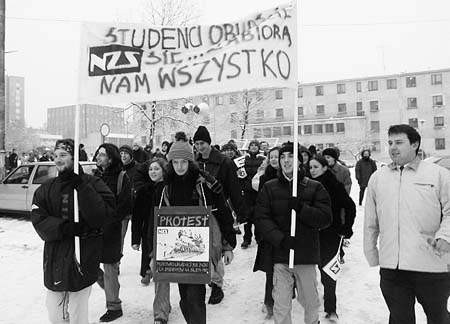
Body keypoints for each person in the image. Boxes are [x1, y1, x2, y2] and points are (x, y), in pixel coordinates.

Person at [364, 124, 450, 324]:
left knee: (438, 317)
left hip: (430, 264)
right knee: (400, 319)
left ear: (415, 144)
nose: (393, 147)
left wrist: (445, 237)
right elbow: (370, 221)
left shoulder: (438, 175)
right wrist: (372, 252)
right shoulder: (378, 178)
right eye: (390, 143)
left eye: (399, 142)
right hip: (392, 267)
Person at [31, 139, 115, 324]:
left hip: (82, 257)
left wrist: (81, 187)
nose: (58, 160)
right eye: (56, 156)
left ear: (74, 157)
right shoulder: (47, 188)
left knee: (78, 311)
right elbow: (38, 218)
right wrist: (64, 227)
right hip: (56, 259)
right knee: (54, 309)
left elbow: (102, 215)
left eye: (63, 155)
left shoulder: (93, 183)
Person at [255, 143, 332, 324]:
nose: (286, 160)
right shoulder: (269, 187)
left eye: (291, 156)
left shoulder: (315, 187)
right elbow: (261, 218)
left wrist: (302, 209)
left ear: (299, 161)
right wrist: (280, 239)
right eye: (282, 157)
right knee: (281, 303)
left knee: (310, 301)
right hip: (281, 255)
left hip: (305, 254)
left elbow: (325, 218)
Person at [164, 141, 236, 324]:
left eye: (184, 162)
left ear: (190, 162)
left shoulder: (205, 184)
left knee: (195, 298)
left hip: (201, 249)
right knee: (185, 300)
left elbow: (223, 213)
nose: (179, 166)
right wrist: (153, 251)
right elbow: (157, 220)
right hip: (177, 253)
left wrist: (227, 245)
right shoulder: (166, 187)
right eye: (175, 162)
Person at [193, 125, 245, 304]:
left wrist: (240, 212)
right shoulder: (195, 162)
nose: (200, 147)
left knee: (216, 247)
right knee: (202, 248)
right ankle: (209, 277)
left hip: (218, 209)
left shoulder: (224, 162)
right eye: (196, 144)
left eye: (202, 143)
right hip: (199, 210)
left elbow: (233, 189)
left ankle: (216, 285)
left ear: (209, 143)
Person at [309, 154, 356, 321]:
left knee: (328, 271)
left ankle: (331, 308)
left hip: (330, 233)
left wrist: (346, 228)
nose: (312, 170)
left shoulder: (334, 184)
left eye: (315, 167)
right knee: (309, 270)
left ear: (324, 168)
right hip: (311, 233)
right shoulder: (306, 184)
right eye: (310, 167)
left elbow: (350, 206)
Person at [93, 143, 132, 322]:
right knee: (90, 265)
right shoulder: (95, 176)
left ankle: (114, 306)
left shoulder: (122, 177)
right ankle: (109, 290)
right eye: (98, 154)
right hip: (94, 230)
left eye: (102, 155)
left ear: (111, 158)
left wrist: (109, 221)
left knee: (110, 269)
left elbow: (125, 205)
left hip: (111, 231)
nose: (99, 157)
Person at [132, 158, 171, 324]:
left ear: (163, 170)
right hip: (149, 236)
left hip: (167, 235)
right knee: (158, 272)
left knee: (161, 273)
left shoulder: (171, 189)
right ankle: (163, 308)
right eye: (150, 169)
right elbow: (137, 216)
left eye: (156, 169)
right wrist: (135, 239)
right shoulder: (144, 190)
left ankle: (161, 311)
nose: (153, 172)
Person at [252, 146, 280, 319]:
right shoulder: (265, 178)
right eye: (273, 157)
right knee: (271, 269)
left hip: (286, 228)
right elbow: (259, 205)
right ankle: (269, 302)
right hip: (269, 230)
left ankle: (285, 296)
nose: (276, 160)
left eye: (278, 156)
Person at [119, 144, 141, 276]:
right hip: (123, 208)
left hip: (137, 207)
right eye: (121, 153)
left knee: (143, 236)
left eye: (125, 153)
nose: (123, 156)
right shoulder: (118, 169)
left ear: (131, 155)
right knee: (119, 238)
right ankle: (117, 263)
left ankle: (147, 266)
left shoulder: (138, 168)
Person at [241, 140, 265, 249]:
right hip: (246, 191)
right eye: (252, 145)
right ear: (249, 147)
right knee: (247, 216)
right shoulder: (243, 159)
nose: (254, 147)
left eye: (256, 145)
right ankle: (247, 238)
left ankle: (259, 236)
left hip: (258, 191)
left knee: (258, 215)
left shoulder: (263, 159)